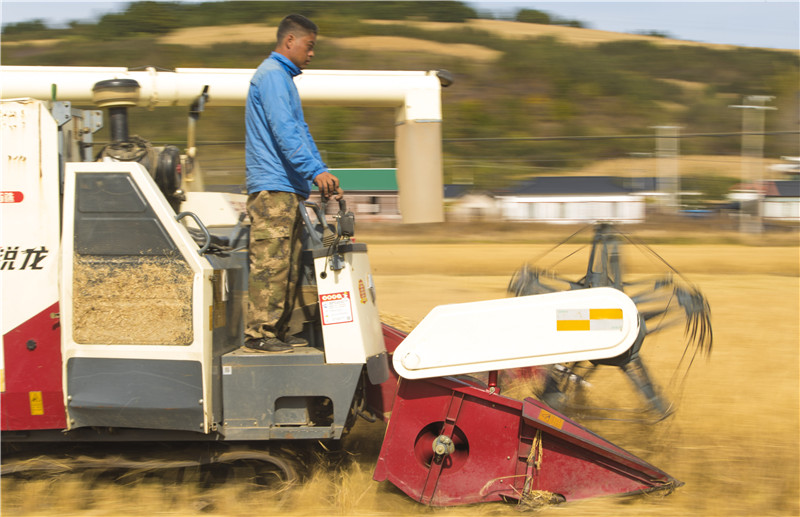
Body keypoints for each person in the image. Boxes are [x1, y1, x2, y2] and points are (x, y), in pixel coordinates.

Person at [244, 14, 341, 353]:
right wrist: (314, 171)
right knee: (270, 264)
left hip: (288, 188)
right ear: (289, 41)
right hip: (273, 188)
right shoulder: (272, 76)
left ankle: (278, 330)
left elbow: (301, 132)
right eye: (309, 46)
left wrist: (321, 171)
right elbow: (285, 132)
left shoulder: (282, 79)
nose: (311, 53)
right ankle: (260, 334)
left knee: (288, 264)